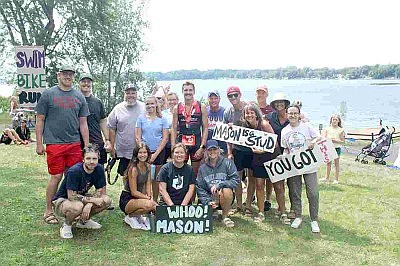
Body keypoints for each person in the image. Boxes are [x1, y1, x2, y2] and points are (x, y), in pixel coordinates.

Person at [35, 64, 90, 225]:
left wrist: (86, 146)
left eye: (71, 74)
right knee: (56, 176)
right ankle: (48, 209)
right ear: (58, 75)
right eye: (65, 74)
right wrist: (39, 143)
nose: (68, 77)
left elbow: (83, 123)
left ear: (73, 77)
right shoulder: (48, 94)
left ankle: (72, 209)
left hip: (74, 143)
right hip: (54, 143)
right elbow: (40, 119)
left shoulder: (79, 96)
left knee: (73, 176)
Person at [52, 144, 111, 239]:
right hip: (63, 200)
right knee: (77, 206)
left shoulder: (99, 169)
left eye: (94, 159)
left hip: (82, 198)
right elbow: (72, 196)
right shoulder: (74, 171)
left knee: (106, 200)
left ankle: (83, 221)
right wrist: (92, 200)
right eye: (88, 158)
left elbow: (101, 191)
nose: (91, 162)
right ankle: (67, 225)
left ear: (98, 158)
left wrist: (89, 204)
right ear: (83, 159)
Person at [281, 105, 321, 233]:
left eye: (295, 113)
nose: (292, 115)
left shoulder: (307, 126)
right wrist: (283, 157)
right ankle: (298, 216)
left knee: (313, 192)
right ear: (287, 114)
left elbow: (319, 137)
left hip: (309, 165)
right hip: (294, 166)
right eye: (290, 113)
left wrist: (313, 142)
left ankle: (314, 219)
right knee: (295, 192)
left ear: (299, 114)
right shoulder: (285, 131)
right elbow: (286, 149)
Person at [197, 140, 240, 227]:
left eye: (214, 149)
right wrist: (207, 201)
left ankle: (225, 217)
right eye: (210, 150)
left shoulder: (228, 163)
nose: (212, 152)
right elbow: (199, 187)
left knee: (227, 189)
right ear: (206, 152)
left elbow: (236, 180)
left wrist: (220, 185)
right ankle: (213, 211)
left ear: (219, 150)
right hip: (210, 199)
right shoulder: (202, 168)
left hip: (224, 197)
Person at [171, 81, 208, 176]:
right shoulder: (177, 107)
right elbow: (174, 128)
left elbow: (205, 128)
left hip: (196, 144)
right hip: (182, 143)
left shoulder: (201, 106)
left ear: (194, 91)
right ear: (182, 91)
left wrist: (202, 147)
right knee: (180, 170)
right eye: (186, 90)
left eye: (190, 90)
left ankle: (195, 190)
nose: (188, 92)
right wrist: (173, 146)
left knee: (196, 172)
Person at [107, 84, 145, 177]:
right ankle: (127, 191)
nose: (130, 95)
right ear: (124, 94)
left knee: (141, 174)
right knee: (125, 174)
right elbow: (111, 128)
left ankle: (138, 192)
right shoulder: (118, 108)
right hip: (123, 149)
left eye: (133, 93)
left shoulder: (144, 107)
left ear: (137, 94)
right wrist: (112, 146)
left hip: (140, 149)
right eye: (128, 93)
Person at [136, 96, 169, 200]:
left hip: (158, 152)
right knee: (144, 178)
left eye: (152, 104)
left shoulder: (162, 119)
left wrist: (155, 155)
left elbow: (165, 138)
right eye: (147, 104)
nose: (150, 106)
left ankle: (154, 201)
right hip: (144, 153)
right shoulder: (141, 118)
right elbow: (138, 136)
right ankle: (144, 200)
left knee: (156, 179)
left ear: (156, 105)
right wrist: (143, 151)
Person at [223, 86, 250, 214]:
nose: (233, 98)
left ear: (240, 95)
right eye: (230, 96)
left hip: (251, 149)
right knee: (237, 178)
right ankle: (239, 204)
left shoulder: (249, 108)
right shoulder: (228, 112)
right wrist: (229, 152)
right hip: (237, 150)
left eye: (235, 95)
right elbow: (227, 135)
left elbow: (258, 125)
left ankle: (248, 204)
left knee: (252, 178)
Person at [119, 143, 157, 230]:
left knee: (154, 206)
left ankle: (139, 216)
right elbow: (134, 192)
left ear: (148, 154)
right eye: (140, 153)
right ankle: (130, 217)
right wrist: (148, 199)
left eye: (145, 152)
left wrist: (149, 196)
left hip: (139, 198)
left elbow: (148, 184)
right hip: (128, 199)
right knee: (150, 204)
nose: (142, 155)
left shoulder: (148, 166)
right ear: (136, 154)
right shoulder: (134, 169)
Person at [266, 93, 292, 218]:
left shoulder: (292, 117)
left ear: (286, 104)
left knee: (292, 184)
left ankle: (291, 209)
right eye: (277, 102)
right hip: (275, 154)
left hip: (291, 154)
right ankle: (282, 210)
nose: (279, 104)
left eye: (281, 102)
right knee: (278, 184)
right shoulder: (270, 117)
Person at [79, 73, 110, 165]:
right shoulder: (75, 100)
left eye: (88, 82)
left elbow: (103, 121)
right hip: (78, 142)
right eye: (83, 81)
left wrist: (107, 139)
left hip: (96, 142)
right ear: (79, 83)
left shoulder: (97, 102)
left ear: (91, 84)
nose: (86, 84)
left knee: (99, 170)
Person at [255, 85, 274, 212]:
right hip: (255, 147)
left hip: (269, 146)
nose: (260, 95)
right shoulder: (252, 107)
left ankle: (268, 199)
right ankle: (254, 199)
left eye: (263, 93)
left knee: (270, 176)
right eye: (258, 92)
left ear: (267, 94)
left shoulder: (271, 109)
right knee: (254, 176)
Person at [322, 114, 345, 184]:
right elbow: (324, 138)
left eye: (336, 120)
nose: (334, 121)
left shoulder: (341, 130)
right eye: (333, 119)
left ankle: (336, 179)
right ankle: (326, 177)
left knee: (336, 164)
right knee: (328, 163)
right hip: (329, 147)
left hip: (336, 148)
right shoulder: (327, 129)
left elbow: (343, 141)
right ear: (331, 120)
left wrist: (334, 140)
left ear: (338, 121)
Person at [162, 92, 179, 162]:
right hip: (166, 144)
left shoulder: (181, 112)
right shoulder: (163, 114)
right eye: (169, 100)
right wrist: (171, 131)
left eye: (174, 99)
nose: (172, 102)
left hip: (179, 143)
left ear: (177, 100)